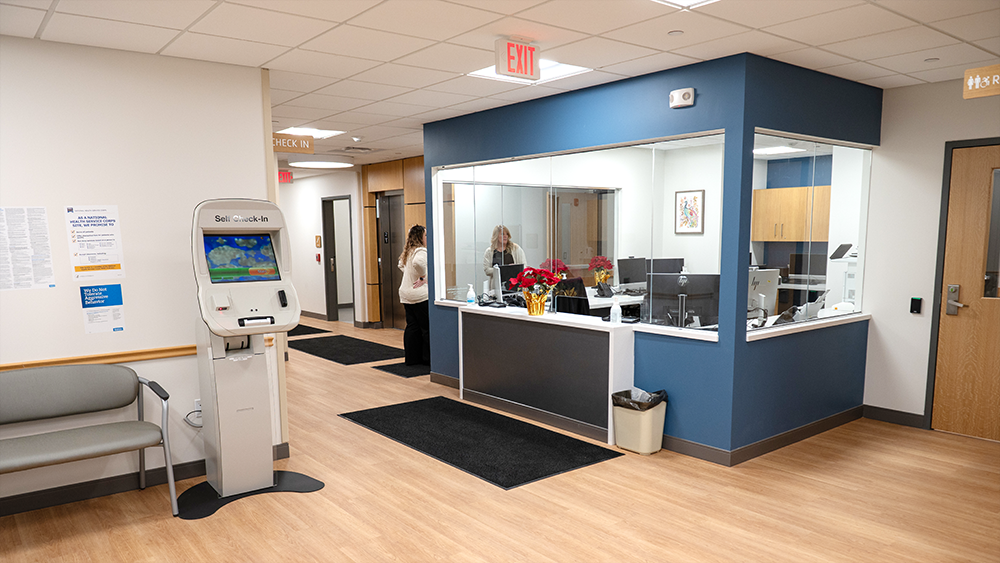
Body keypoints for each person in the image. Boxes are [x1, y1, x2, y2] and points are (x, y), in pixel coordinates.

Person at [398, 224, 430, 366]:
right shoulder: (421, 251)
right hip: (419, 295)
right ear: (420, 237)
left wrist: (411, 276)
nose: (427, 238)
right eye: (425, 235)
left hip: (406, 294)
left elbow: (401, 265)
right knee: (426, 328)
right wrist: (423, 277)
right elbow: (419, 264)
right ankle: (427, 359)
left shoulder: (408, 251)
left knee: (412, 327)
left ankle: (412, 359)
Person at [482, 225, 526, 290]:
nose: (505, 236)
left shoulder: (516, 248)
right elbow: (487, 270)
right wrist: (503, 269)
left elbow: (524, 267)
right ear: (496, 236)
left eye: (507, 234)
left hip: (514, 286)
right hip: (496, 287)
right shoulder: (489, 251)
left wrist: (514, 269)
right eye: (502, 234)